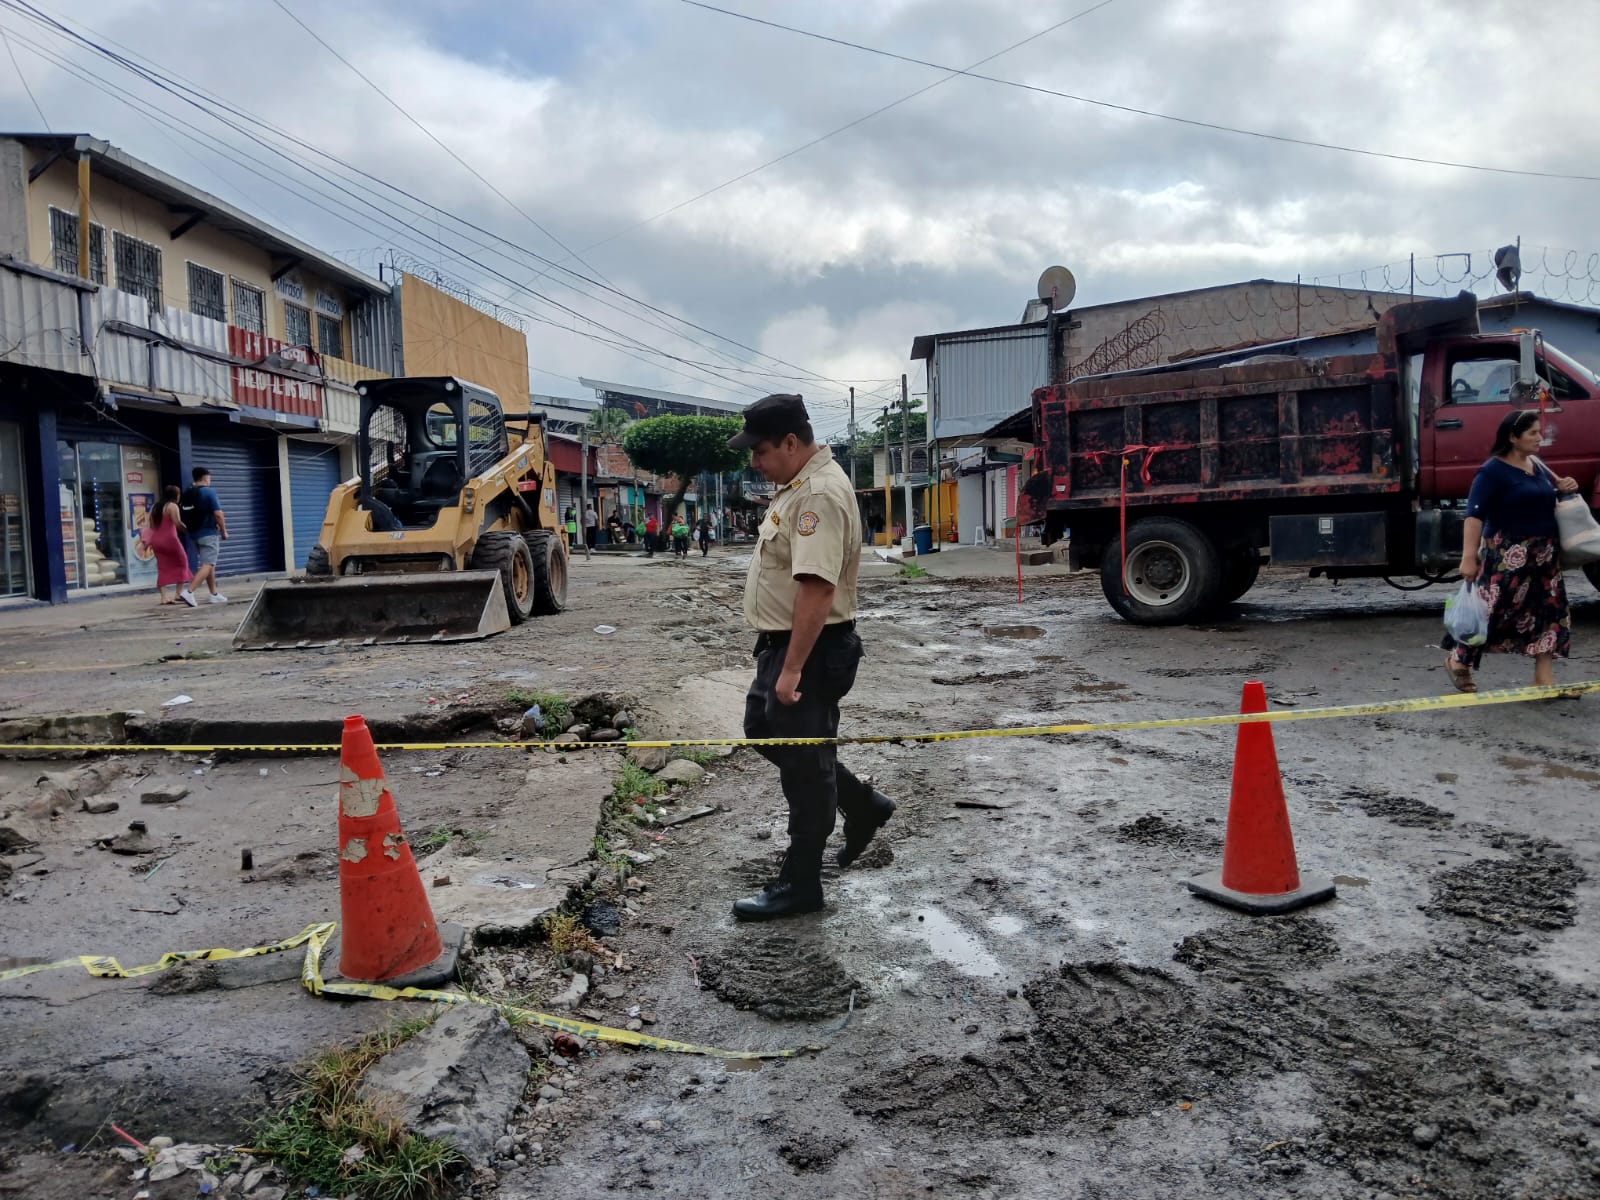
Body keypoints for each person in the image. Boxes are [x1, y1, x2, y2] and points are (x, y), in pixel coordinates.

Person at [727, 393, 895, 921]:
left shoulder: (818, 494)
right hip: (783, 644)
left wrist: (794, 668)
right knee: (765, 730)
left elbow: (818, 590)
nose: (754, 461)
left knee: (804, 765)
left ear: (793, 443)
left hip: (811, 650)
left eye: (760, 450)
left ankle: (801, 885)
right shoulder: (797, 486)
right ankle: (863, 805)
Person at [1444, 409, 1580, 693]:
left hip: (1544, 556)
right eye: (1533, 433)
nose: (1540, 438)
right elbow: (1474, 516)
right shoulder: (1492, 471)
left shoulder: (1537, 465)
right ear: (1512, 437)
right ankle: (1459, 659)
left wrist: (1564, 486)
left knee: (1550, 613)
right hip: (1508, 555)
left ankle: (1544, 680)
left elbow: (1544, 497)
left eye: (1539, 432)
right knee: (1495, 611)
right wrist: (1468, 557)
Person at [179, 466, 228, 606]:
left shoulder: (187, 493)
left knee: (209, 564)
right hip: (208, 533)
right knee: (208, 564)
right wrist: (223, 530)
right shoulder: (209, 492)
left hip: (194, 533)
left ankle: (214, 594)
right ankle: (189, 592)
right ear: (206, 478)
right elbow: (218, 514)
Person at [142, 485, 189, 605]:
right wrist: (189, 530)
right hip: (170, 540)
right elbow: (177, 523)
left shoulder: (156, 507)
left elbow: (151, 526)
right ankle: (178, 594)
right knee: (183, 563)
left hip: (157, 541)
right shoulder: (172, 506)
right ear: (176, 496)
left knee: (162, 567)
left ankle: (164, 597)